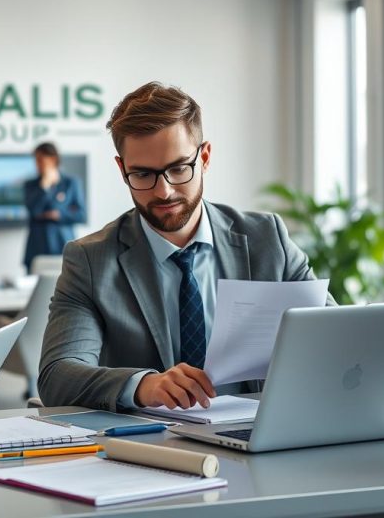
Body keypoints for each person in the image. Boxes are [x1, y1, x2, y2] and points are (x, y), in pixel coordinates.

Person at [38, 82, 335, 413]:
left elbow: (335, 337)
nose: (163, 191)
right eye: (143, 174)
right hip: (150, 450)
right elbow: (57, 376)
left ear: (204, 157)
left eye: (178, 168)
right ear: (122, 169)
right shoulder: (91, 260)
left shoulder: (267, 240)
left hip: (261, 435)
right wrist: (143, 386)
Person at [22, 142, 87, 272]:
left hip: (63, 247)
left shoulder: (71, 183)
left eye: (40, 160)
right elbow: (33, 211)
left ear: (53, 159)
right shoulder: (31, 185)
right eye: (35, 160)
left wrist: (58, 214)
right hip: (36, 249)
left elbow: (81, 215)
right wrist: (44, 186)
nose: (37, 164)